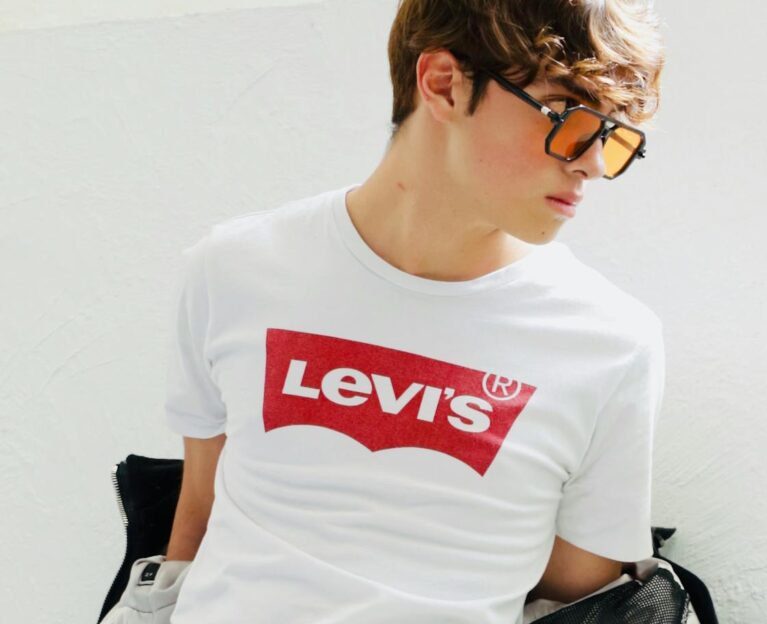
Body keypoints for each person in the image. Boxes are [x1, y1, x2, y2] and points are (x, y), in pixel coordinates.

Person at [160, 0, 667, 621]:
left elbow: (575, 584)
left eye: (612, 137)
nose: (591, 162)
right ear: (444, 84)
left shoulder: (610, 341)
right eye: (569, 117)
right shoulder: (235, 267)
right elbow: (200, 511)